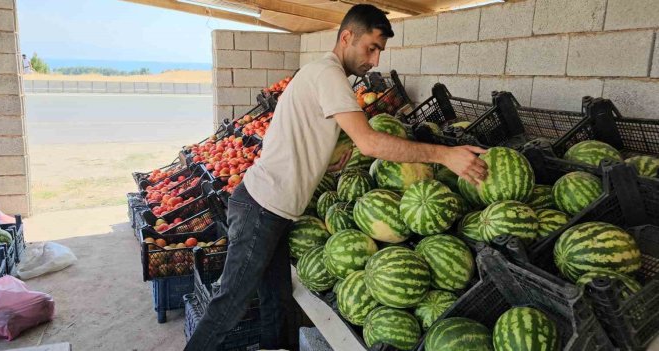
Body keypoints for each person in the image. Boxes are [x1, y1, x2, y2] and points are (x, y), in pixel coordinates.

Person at [185, 4, 487, 351]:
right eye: (370, 48)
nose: (374, 61)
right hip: (261, 209)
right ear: (347, 37)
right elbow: (370, 142)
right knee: (230, 304)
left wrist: (319, 157)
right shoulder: (329, 74)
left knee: (277, 304)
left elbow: (293, 133)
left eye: (379, 52)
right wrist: (445, 155)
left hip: (272, 210)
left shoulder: (318, 73)